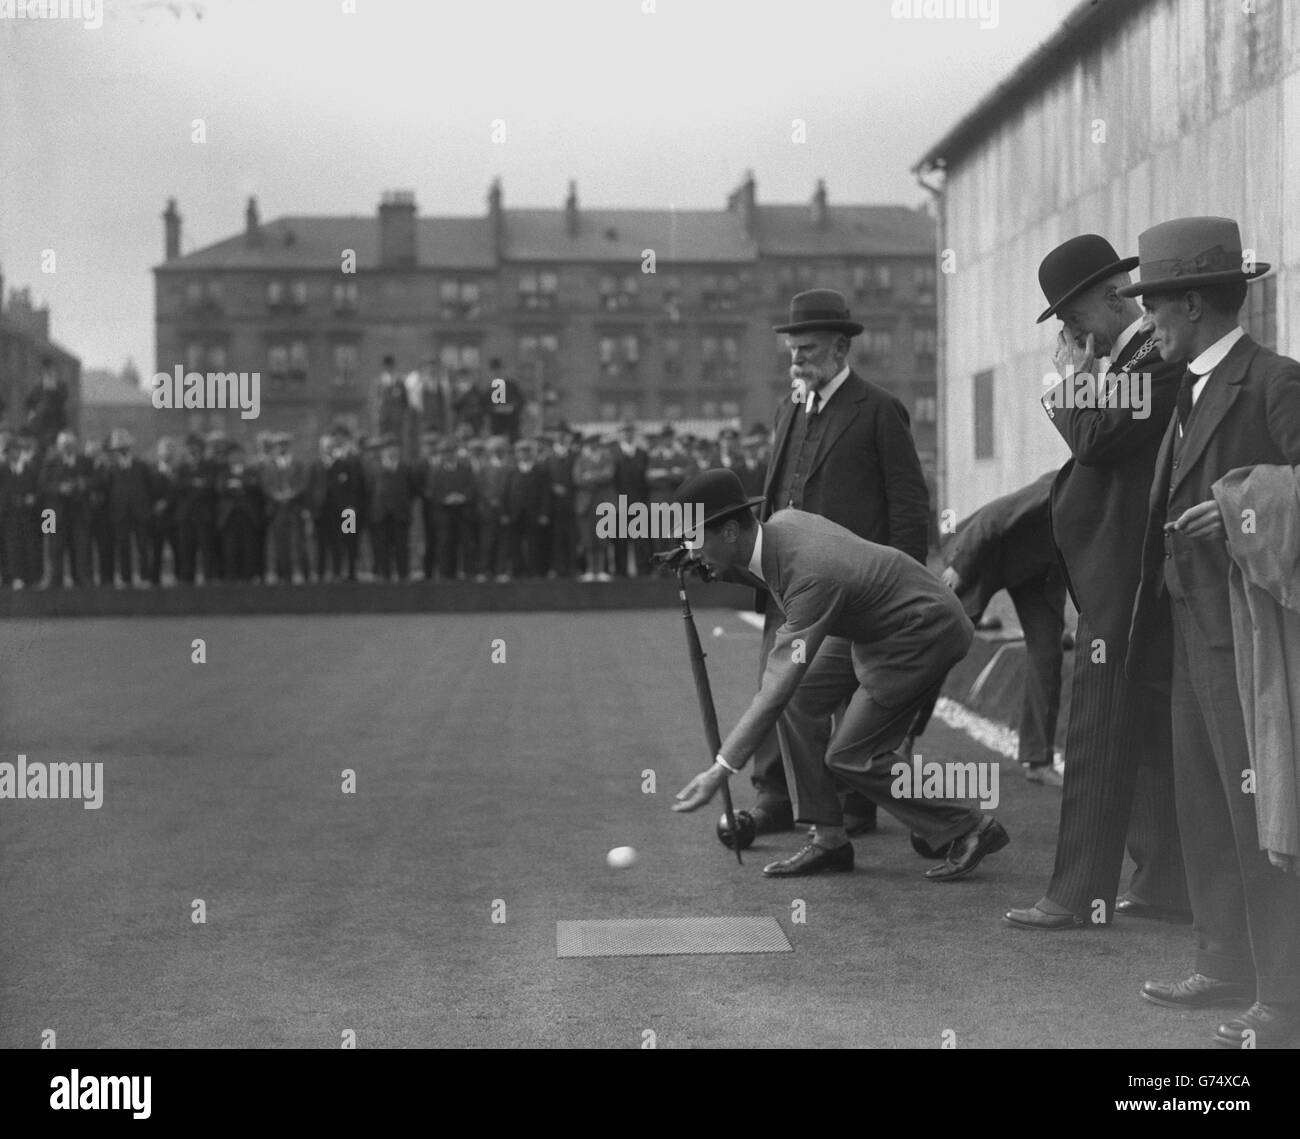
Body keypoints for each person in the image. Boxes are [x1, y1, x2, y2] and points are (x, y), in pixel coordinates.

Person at [1123, 216, 1300, 1048]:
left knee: (1265, 820)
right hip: (1192, 634)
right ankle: (1224, 961)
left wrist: (1239, 511)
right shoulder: (1185, 387)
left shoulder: (1275, 382)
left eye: (1152, 305)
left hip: (1254, 649)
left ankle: (1285, 1001)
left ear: (1192, 304)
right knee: (1206, 810)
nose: (1145, 322)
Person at [671, 469, 1009, 881]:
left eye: (692, 538)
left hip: (921, 630)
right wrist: (711, 563)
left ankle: (969, 827)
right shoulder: (780, 526)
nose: (689, 550)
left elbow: (777, 681)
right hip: (873, 618)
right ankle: (828, 838)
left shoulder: (810, 575)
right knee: (800, 699)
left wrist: (721, 768)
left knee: (851, 755)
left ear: (727, 532)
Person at [1006, 235, 1188, 932]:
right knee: (1144, 738)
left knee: (1096, 734)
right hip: (1121, 573)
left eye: (1071, 315)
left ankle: (1076, 893)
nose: (1067, 333)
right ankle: (1165, 880)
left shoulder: (1153, 358)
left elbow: (1096, 439)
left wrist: (1067, 380)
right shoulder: (1130, 357)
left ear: (1115, 297)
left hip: (1131, 579)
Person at [747, 288, 932, 839]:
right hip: (788, 582)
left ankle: (855, 801)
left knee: (849, 694)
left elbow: (907, 502)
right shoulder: (787, 409)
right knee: (778, 687)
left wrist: (908, 585)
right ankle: (776, 796)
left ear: (839, 348)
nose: (796, 359)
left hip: (855, 590)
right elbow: (776, 493)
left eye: (806, 349)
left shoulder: (878, 409)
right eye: (792, 349)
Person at [940, 471, 1066, 779]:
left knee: (1048, 656)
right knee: (941, 646)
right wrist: (960, 566)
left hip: (1040, 573)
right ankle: (899, 740)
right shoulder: (1062, 485)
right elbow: (995, 516)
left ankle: (1038, 760)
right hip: (987, 556)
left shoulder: (1115, 498)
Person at [39, 430, 93, 587]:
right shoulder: (50, 462)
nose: (67, 448)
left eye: (70, 444)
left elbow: (95, 480)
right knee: (53, 547)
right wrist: (59, 488)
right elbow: (42, 486)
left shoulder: (85, 461)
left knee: (81, 546)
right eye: (64, 445)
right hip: (53, 514)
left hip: (79, 512)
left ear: (75, 445)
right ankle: (54, 579)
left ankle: (82, 578)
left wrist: (82, 484)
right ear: (58, 446)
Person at [611, 421, 650, 576]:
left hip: (639, 501)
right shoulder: (613, 453)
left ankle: (643, 571)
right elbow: (611, 481)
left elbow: (646, 481)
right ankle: (621, 572)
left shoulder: (642, 454)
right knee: (620, 541)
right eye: (624, 431)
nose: (627, 434)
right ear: (620, 434)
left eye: (629, 431)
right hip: (619, 503)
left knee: (641, 540)